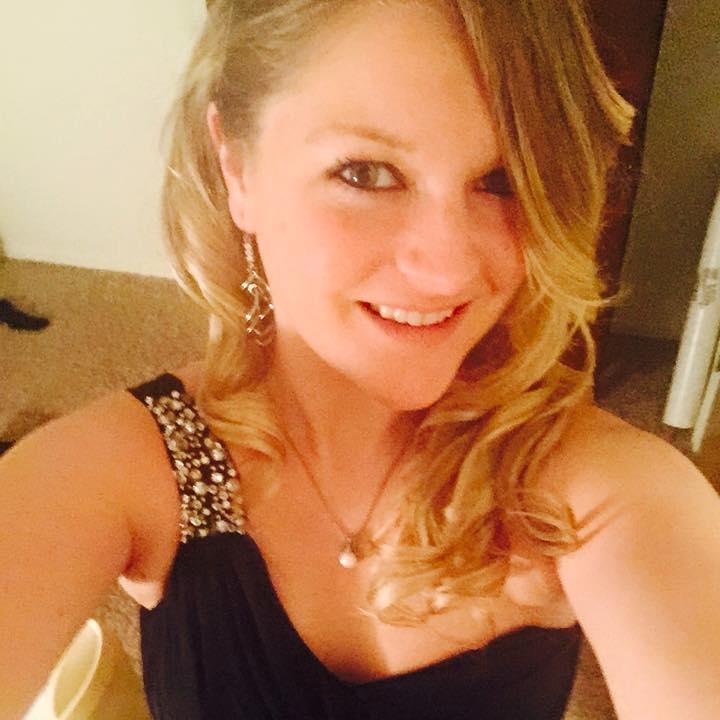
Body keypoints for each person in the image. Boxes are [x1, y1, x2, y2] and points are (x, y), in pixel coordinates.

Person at [2, 1, 719, 718]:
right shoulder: (118, 471)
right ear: (238, 168)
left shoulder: (600, 487)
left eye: (502, 179)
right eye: (367, 173)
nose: (447, 268)